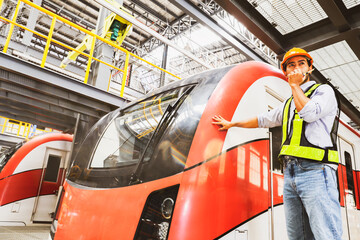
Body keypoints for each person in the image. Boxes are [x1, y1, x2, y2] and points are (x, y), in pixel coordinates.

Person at [212, 47, 342, 240]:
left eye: (301, 64)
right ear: (286, 72)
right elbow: (263, 119)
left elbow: (310, 112)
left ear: (310, 68)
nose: (296, 69)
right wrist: (232, 124)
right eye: (291, 66)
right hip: (290, 175)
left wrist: (295, 86)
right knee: (297, 236)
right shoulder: (289, 104)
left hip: (316, 170)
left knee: (325, 234)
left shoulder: (324, 92)